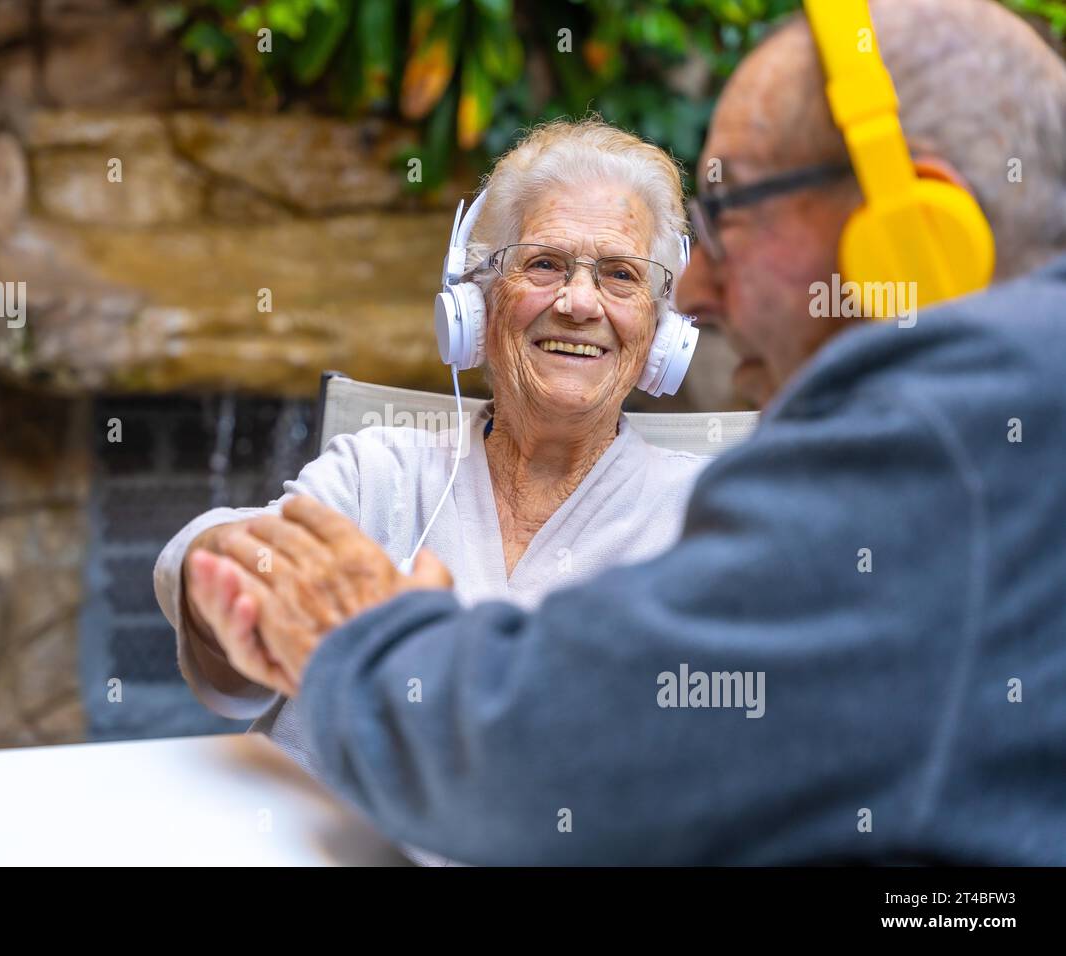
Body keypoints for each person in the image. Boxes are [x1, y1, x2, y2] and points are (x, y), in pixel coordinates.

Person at [188, 0, 1066, 864]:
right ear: (476, 299)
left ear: (915, 237)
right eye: (542, 265)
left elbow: (551, 767)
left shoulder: (915, 455)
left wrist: (355, 642)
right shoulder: (1013, 411)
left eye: (732, 217)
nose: (707, 297)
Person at [154, 119, 711, 861]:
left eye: (620, 274)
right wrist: (223, 571)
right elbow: (231, 636)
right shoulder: (381, 468)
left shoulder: (707, 518)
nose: (580, 302)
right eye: (543, 264)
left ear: (661, 330)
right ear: (476, 305)